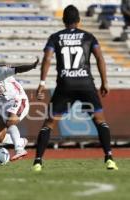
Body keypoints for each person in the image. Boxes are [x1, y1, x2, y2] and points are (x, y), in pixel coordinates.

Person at [31, 5, 118, 171]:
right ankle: (109, 158)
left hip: (65, 85)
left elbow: (47, 58)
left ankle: (37, 162)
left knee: (48, 123)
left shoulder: (55, 37)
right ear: (79, 21)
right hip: (85, 84)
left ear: (64, 21)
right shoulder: (88, 37)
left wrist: (42, 83)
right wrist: (104, 82)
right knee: (100, 121)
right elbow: (100, 57)